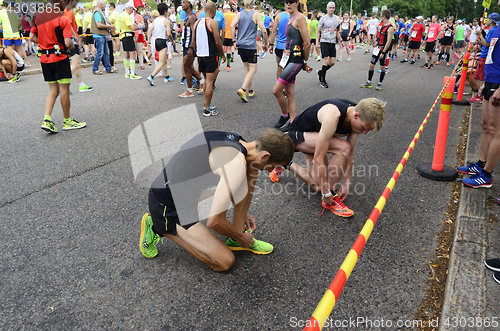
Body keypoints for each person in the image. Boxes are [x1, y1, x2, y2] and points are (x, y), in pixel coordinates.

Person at [139, 129, 295, 272]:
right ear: (265, 155)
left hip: (187, 192)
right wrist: (243, 238)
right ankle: (157, 226)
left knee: (251, 171)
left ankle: (235, 236)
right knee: (224, 262)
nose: (272, 171)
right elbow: (215, 222)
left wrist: (242, 213)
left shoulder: (241, 143)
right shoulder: (235, 163)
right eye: (273, 167)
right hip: (167, 205)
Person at [269, 98, 385, 216]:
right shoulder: (332, 116)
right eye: (364, 128)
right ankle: (332, 198)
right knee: (343, 148)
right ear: (356, 115)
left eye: (367, 130)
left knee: (318, 184)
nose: (364, 132)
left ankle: (285, 163)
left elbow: (349, 156)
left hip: (316, 137)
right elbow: (318, 159)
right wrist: (327, 193)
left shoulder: (358, 119)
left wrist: (346, 183)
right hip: (297, 134)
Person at [30, 0, 86, 133]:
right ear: (61, 2)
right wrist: (73, 45)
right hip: (59, 57)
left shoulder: (38, 17)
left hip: (44, 59)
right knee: (64, 90)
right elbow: (67, 44)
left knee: (53, 90)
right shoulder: (63, 19)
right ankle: (67, 121)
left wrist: (44, 43)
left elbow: (32, 37)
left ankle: (47, 119)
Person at [459, 7, 500, 188]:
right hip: (491, 80)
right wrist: (484, 82)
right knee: (485, 126)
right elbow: (492, 54)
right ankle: (481, 164)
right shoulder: (496, 28)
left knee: (496, 131)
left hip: (498, 83)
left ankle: (486, 175)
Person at [271, 0, 310, 131]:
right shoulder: (289, 17)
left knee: (276, 90)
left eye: (292, 2)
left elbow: (307, 43)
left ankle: (285, 115)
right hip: (287, 59)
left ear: (297, 3)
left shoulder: (300, 18)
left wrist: (304, 61)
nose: (288, 4)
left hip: (296, 61)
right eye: (286, 2)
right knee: (289, 93)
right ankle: (293, 123)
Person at [192, 1, 226, 116]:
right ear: (214, 11)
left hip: (201, 56)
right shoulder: (213, 23)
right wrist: (223, 54)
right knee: (210, 82)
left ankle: (208, 104)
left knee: (207, 81)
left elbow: (193, 41)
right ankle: (207, 108)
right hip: (211, 55)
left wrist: (198, 52)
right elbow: (217, 42)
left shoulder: (197, 23)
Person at [230, 0, 268, 102]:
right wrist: (266, 43)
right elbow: (264, 30)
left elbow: (231, 26)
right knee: (253, 69)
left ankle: (250, 90)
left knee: (247, 68)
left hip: (241, 44)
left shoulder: (239, 14)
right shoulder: (256, 15)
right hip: (250, 45)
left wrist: (234, 41)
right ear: (253, 4)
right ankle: (243, 89)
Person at [360, 9, 394, 91]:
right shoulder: (382, 26)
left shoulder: (390, 28)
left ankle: (380, 83)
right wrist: (375, 47)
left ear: (384, 16)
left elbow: (389, 41)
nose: (380, 17)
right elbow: (379, 38)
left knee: (382, 67)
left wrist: (383, 52)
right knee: (371, 64)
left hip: (383, 49)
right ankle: (369, 82)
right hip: (378, 47)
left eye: (381, 15)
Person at [64, 0, 93, 92]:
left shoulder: (65, 10)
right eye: (76, 1)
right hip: (71, 40)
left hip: (68, 39)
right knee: (76, 64)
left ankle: (81, 85)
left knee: (76, 64)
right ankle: (63, 86)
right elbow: (67, 23)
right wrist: (75, 36)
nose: (77, 4)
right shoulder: (69, 11)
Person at [470, 13, 499, 103]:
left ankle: (480, 95)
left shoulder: (492, 30)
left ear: (492, 21)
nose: (486, 21)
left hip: (486, 56)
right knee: (477, 75)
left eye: (487, 19)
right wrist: (480, 41)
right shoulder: (492, 30)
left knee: (481, 76)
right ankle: (479, 94)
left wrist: (480, 35)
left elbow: (487, 43)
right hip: (483, 55)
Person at [147, 3, 175, 85]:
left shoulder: (155, 20)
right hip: (162, 41)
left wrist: (148, 41)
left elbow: (149, 30)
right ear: (166, 11)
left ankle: (166, 76)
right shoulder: (166, 21)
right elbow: (169, 34)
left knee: (164, 60)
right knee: (161, 62)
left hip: (156, 41)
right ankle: (151, 76)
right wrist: (172, 41)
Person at [179, 0, 202, 98]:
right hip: (187, 45)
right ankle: (202, 82)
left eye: (184, 2)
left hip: (189, 46)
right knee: (187, 67)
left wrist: (192, 47)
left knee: (187, 67)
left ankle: (190, 91)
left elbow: (194, 32)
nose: (182, 4)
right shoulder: (189, 16)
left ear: (189, 4)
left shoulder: (192, 17)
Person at [316, 2, 340, 89]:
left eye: (333, 8)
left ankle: (321, 72)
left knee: (332, 62)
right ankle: (323, 80)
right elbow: (318, 31)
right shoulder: (323, 18)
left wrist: (341, 40)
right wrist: (317, 42)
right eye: (330, 7)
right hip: (324, 41)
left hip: (332, 42)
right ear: (327, 8)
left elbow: (336, 31)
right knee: (326, 60)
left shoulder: (337, 18)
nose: (332, 9)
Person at [90, 0, 116, 75]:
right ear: (101, 4)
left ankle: (108, 68)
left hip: (102, 35)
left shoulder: (99, 12)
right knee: (100, 53)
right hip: (99, 35)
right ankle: (95, 68)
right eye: (105, 4)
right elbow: (99, 25)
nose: (106, 6)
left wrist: (109, 25)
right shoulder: (97, 12)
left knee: (106, 53)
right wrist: (109, 26)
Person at [119, 2, 142, 79]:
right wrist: (139, 27)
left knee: (126, 54)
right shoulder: (127, 16)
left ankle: (127, 73)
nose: (133, 11)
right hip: (128, 36)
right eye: (132, 9)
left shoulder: (121, 15)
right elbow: (132, 27)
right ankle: (132, 74)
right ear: (129, 8)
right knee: (132, 54)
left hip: (123, 35)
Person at [222, 4, 236, 71]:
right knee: (228, 50)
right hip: (230, 34)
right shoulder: (234, 15)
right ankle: (228, 66)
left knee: (220, 49)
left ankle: (218, 65)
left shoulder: (223, 15)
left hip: (223, 34)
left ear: (225, 9)